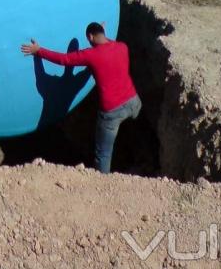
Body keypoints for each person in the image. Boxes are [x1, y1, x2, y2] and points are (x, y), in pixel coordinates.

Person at [21, 22, 140, 174]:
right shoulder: (122, 47)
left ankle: (102, 184)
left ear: (90, 37)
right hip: (133, 102)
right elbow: (109, 44)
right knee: (136, 125)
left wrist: (38, 52)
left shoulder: (91, 55)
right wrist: (101, 33)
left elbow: (64, 59)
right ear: (103, 32)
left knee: (103, 154)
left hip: (112, 113)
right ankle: (142, 153)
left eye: (89, 39)